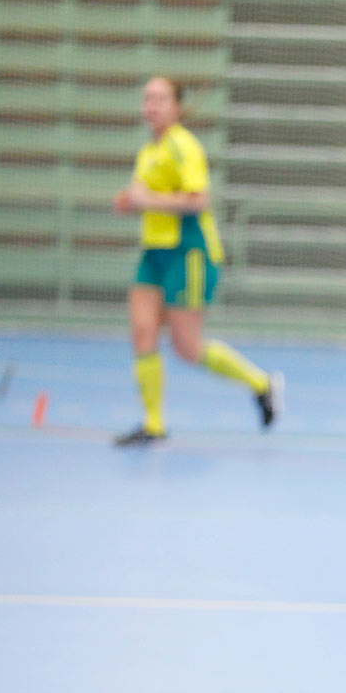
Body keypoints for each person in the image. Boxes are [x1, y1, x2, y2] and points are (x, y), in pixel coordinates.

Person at [112, 75, 282, 446]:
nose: (151, 106)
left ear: (176, 107)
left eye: (159, 99)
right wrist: (129, 202)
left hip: (189, 252)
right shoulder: (148, 151)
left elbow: (197, 199)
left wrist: (146, 201)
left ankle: (262, 384)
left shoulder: (183, 147)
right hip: (153, 252)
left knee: (187, 348)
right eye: (147, 99)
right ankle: (153, 424)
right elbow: (147, 198)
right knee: (142, 331)